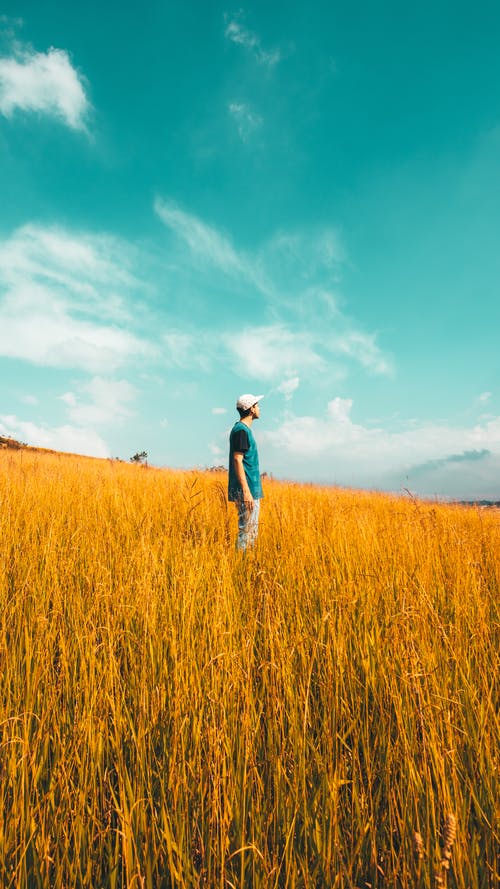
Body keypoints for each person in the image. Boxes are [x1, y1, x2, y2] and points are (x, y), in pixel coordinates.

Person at [228, 393, 264, 551]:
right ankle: (241, 568)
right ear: (251, 409)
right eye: (257, 405)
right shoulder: (241, 430)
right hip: (247, 490)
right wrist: (246, 491)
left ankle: (246, 566)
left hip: (250, 490)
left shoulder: (243, 430)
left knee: (251, 531)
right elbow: (237, 459)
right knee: (246, 531)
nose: (259, 408)